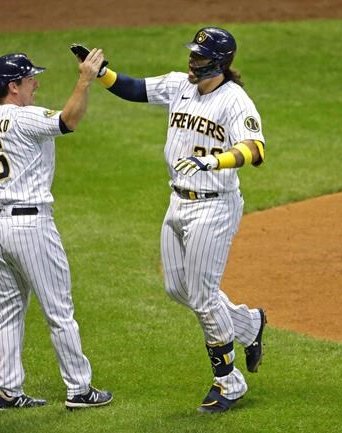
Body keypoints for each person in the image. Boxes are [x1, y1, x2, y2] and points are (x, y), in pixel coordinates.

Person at [92, 27, 267, 412]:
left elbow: (255, 149)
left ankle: (229, 382)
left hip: (214, 206)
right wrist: (100, 70)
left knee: (202, 296)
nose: (192, 60)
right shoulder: (179, 86)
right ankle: (249, 325)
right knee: (178, 289)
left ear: (219, 63)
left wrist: (214, 160)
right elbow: (134, 88)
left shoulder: (234, 100)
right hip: (178, 202)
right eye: (192, 53)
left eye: (200, 57)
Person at [0, 50, 113, 410]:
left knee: (7, 312)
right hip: (30, 224)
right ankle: (79, 388)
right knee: (59, 309)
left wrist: (4, 194)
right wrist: (85, 79)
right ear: (12, 86)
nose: (36, 84)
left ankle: (8, 390)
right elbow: (68, 120)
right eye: (30, 80)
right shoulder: (24, 118)